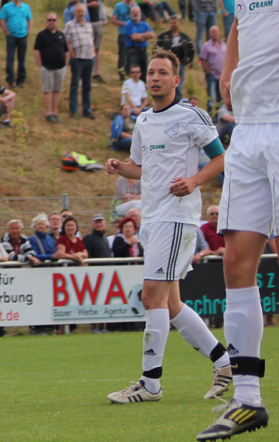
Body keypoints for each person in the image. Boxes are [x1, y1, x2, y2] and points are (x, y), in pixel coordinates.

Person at [188, 0, 279, 438]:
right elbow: (243, 22)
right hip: (247, 131)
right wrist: (229, 67)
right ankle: (247, 399)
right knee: (237, 262)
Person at [104, 50, 232, 409]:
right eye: (151, 72)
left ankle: (150, 383)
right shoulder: (144, 119)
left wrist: (194, 180)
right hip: (152, 217)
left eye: (162, 72)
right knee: (171, 303)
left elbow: (222, 157)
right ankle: (225, 362)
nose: (155, 78)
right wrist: (119, 167)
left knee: (151, 297)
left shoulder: (191, 115)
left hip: (177, 218)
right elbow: (140, 166)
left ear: (176, 80)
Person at [34, 13, 68, 123]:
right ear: (46, 21)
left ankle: (55, 112)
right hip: (47, 67)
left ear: (57, 21)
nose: (51, 22)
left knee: (57, 90)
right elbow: (36, 50)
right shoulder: (41, 35)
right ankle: (48, 113)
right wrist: (40, 64)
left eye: (54, 20)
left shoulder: (61, 35)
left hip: (60, 68)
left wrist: (66, 63)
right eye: (49, 20)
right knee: (48, 90)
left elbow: (66, 50)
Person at [76, 0, 107, 82]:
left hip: (97, 20)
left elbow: (102, 4)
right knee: (85, 46)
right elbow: (78, 4)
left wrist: (104, 18)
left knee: (97, 48)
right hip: (86, 20)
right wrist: (89, 5)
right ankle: (84, 73)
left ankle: (96, 72)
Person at [65, 3, 96, 119]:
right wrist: (71, 53)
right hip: (77, 59)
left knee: (87, 85)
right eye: (78, 11)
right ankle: (73, 110)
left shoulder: (89, 25)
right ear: (74, 13)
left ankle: (86, 110)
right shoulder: (69, 25)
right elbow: (66, 41)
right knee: (75, 85)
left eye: (82, 11)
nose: (80, 13)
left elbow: (92, 39)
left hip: (89, 58)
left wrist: (93, 52)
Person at [0, 0, 32, 88]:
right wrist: (6, 32)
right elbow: (2, 20)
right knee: (10, 58)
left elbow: (30, 19)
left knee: (22, 59)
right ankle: (11, 79)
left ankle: (21, 80)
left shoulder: (26, 7)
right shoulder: (6, 7)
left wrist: (28, 31)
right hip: (11, 36)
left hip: (23, 36)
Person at [155, 15, 195, 91]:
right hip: (166, 64)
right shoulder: (163, 36)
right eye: (171, 23)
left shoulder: (185, 37)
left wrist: (189, 60)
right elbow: (156, 48)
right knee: (167, 84)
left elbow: (191, 49)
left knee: (179, 85)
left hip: (180, 64)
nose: (173, 25)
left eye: (175, 23)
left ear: (179, 23)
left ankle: (178, 98)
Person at [111, 0, 140, 80]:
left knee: (131, 55)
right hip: (123, 33)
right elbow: (113, 20)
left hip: (133, 34)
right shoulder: (119, 6)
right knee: (122, 55)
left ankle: (129, 73)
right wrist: (125, 24)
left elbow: (139, 19)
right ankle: (121, 74)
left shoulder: (135, 6)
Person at [198, 25, 226, 115]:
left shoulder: (224, 45)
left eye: (216, 32)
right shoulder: (206, 46)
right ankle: (210, 116)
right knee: (211, 98)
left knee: (221, 99)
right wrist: (209, 72)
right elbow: (203, 60)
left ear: (219, 33)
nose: (214, 34)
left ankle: (219, 117)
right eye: (213, 32)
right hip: (212, 76)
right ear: (209, 34)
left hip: (222, 76)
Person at [123, 5, 155, 82]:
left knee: (145, 73)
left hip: (144, 52)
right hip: (133, 52)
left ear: (140, 13)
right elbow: (134, 37)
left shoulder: (144, 24)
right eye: (133, 12)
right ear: (130, 14)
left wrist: (140, 36)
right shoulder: (128, 24)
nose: (135, 14)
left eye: (137, 12)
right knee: (132, 72)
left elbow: (152, 35)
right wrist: (146, 36)